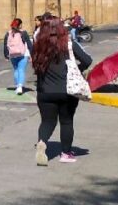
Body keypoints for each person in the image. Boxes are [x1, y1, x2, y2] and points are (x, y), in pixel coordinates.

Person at [31, 16, 92, 166]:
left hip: (44, 91)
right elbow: (87, 60)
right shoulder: (69, 44)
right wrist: (78, 68)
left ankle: (42, 142)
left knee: (47, 121)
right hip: (67, 90)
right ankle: (65, 153)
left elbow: (35, 65)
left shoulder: (38, 45)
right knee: (66, 121)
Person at [2, 18, 33, 95]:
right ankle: (20, 86)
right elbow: (29, 44)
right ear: (20, 25)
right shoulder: (23, 33)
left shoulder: (8, 33)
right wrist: (32, 55)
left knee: (16, 70)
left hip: (13, 55)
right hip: (23, 54)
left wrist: (6, 55)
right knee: (21, 70)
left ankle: (17, 86)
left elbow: (5, 45)